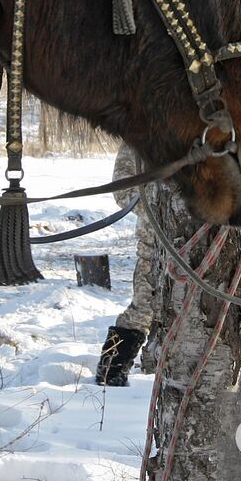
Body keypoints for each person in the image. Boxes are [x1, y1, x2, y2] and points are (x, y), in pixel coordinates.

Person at [95, 143, 158, 386]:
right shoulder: (138, 138)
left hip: (205, 247)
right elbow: (122, 190)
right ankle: (109, 375)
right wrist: (161, 207)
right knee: (143, 311)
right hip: (154, 248)